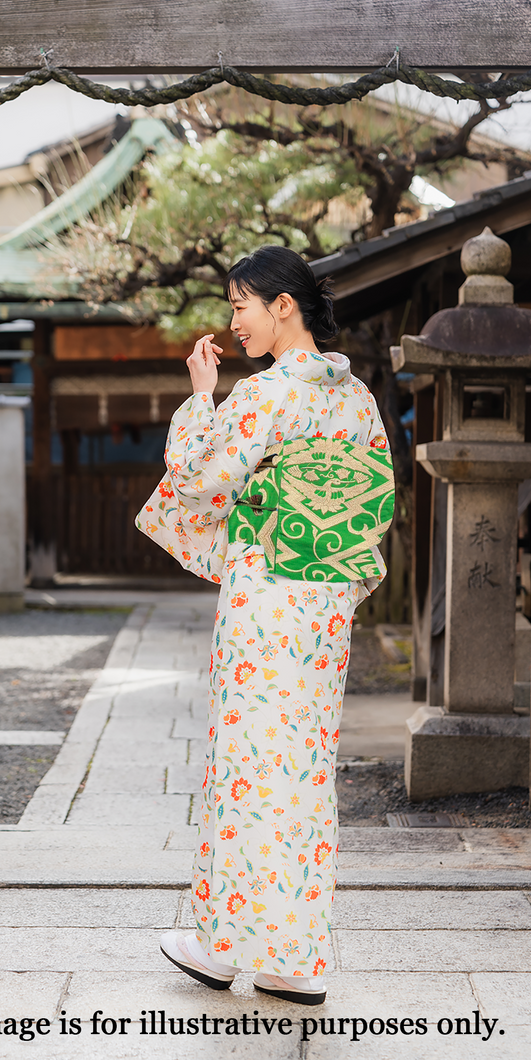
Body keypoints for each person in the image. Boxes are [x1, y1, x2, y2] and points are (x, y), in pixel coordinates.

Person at [136, 244, 393, 1005]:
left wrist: (200, 394)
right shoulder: (357, 398)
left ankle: (223, 946)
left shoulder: (269, 394)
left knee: (247, 771)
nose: (234, 320)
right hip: (323, 608)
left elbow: (197, 480)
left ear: (284, 306)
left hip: (268, 601)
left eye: (242, 304)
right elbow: (370, 505)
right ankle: (295, 959)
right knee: (304, 776)